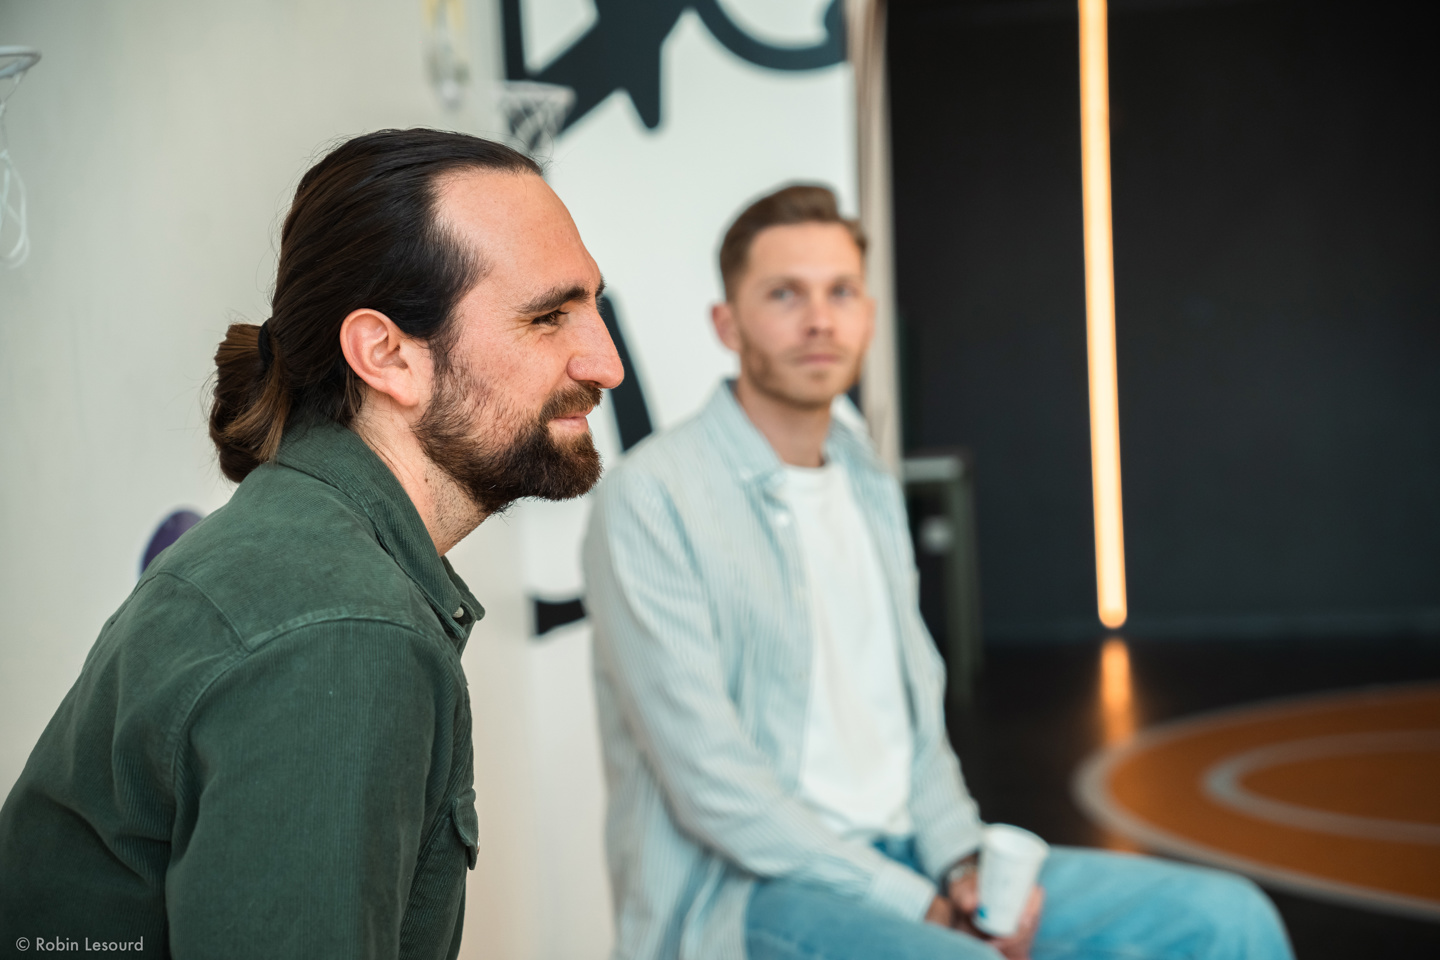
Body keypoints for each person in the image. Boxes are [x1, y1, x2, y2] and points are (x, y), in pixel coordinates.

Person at [581, 184, 1293, 960]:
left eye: (841, 293)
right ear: (727, 323)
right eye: (784, 294)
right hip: (753, 890)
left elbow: (913, 721)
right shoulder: (652, 496)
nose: (819, 320)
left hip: (915, 854)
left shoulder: (867, 478)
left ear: (868, 315)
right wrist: (916, 903)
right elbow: (712, 785)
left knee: (1228, 919)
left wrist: (962, 867)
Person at [0, 129, 622, 958]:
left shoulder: (306, 550)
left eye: (594, 306)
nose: (605, 363)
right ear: (387, 354)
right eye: (547, 317)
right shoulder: (342, 628)